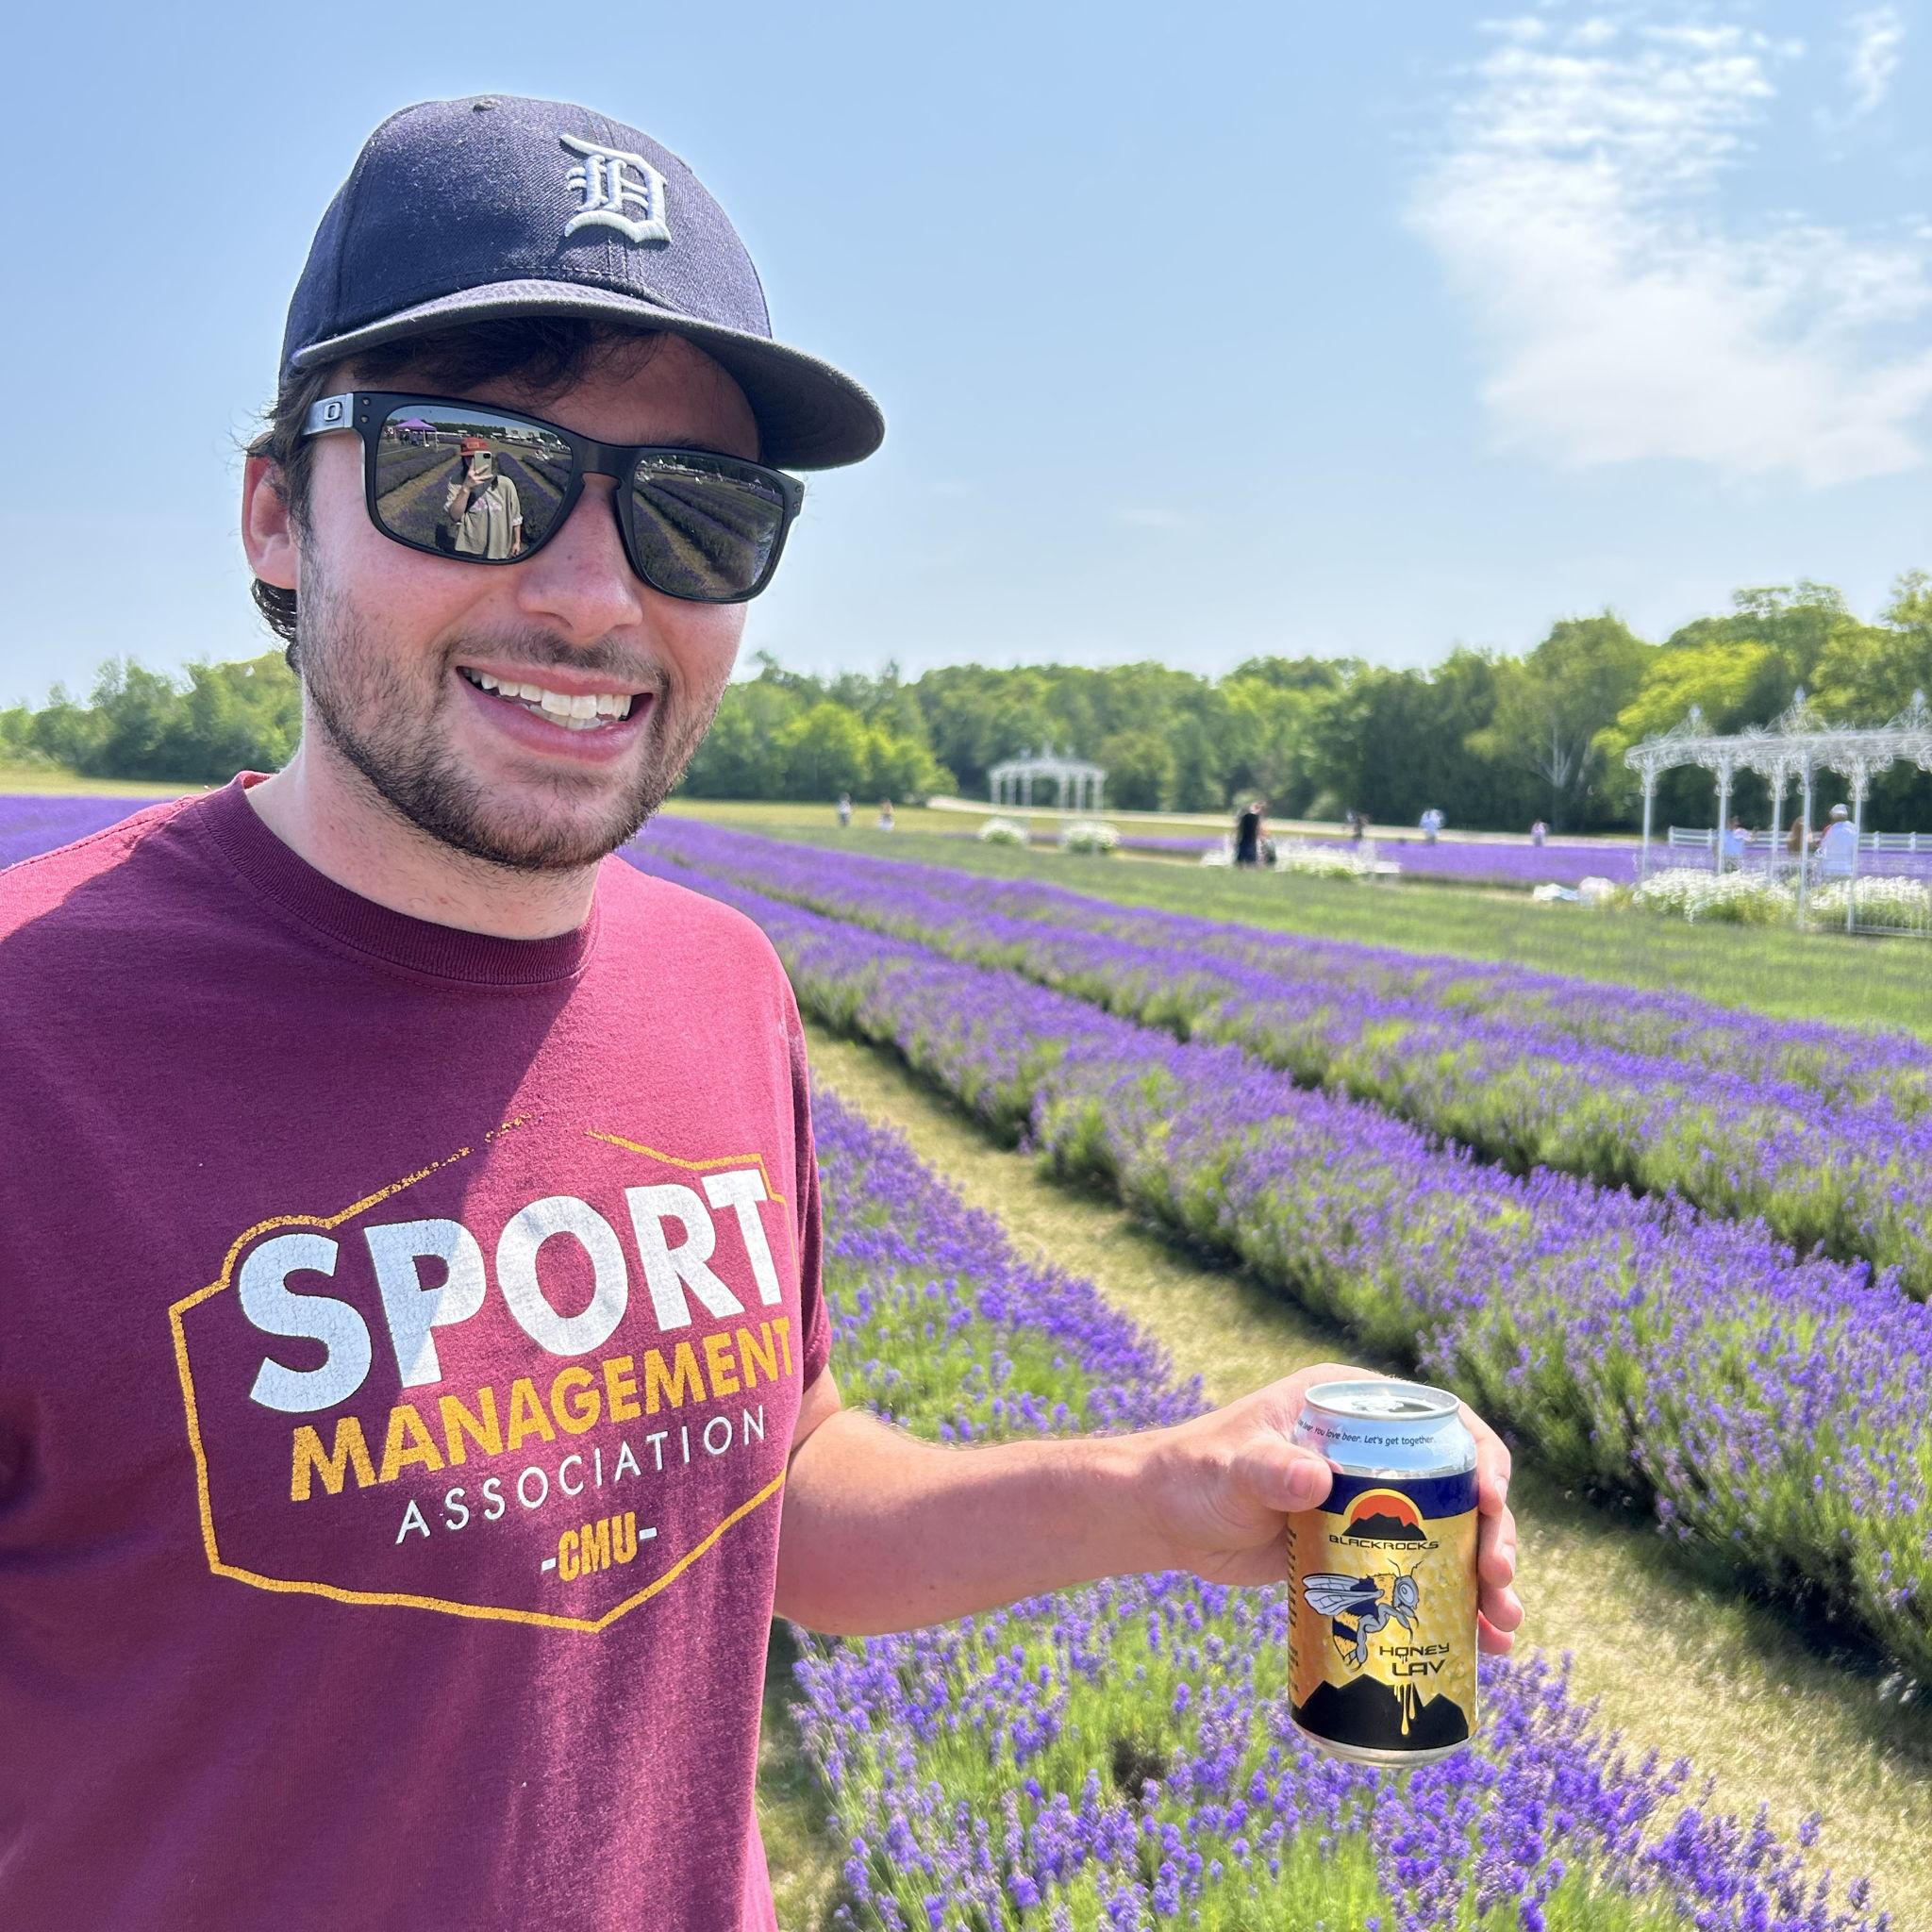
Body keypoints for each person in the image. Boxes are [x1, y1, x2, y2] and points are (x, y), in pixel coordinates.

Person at [0, 95, 1522, 1931]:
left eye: (692, 515)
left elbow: (766, 1492)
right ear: (274, 513)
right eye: (465, 474)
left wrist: (1155, 1486)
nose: (586, 592)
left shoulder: (719, 989)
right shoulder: (37, 1041)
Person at [442, 435, 524, 558]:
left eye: (478, 457)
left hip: (498, 546)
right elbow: (454, 516)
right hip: (470, 547)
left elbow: (515, 516)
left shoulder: (505, 483)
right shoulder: (456, 481)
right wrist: (466, 488)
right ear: (463, 459)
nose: (473, 461)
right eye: (469, 457)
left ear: (488, 457)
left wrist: (517, 542)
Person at [1818, 803, 1857, 878]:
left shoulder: (1830, 830)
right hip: (1847, 868)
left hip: (1830, 869)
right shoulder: (1853, 830)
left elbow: (1823, 848)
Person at [1234, 795, 1265, 866]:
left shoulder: (1243, 817)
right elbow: (1259, 832)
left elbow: (1238, 830)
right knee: (1252, 863)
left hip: (1243, 843)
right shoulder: (1256, 818)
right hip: (1251, 843)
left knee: (1240, 863)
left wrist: (1236, 841)